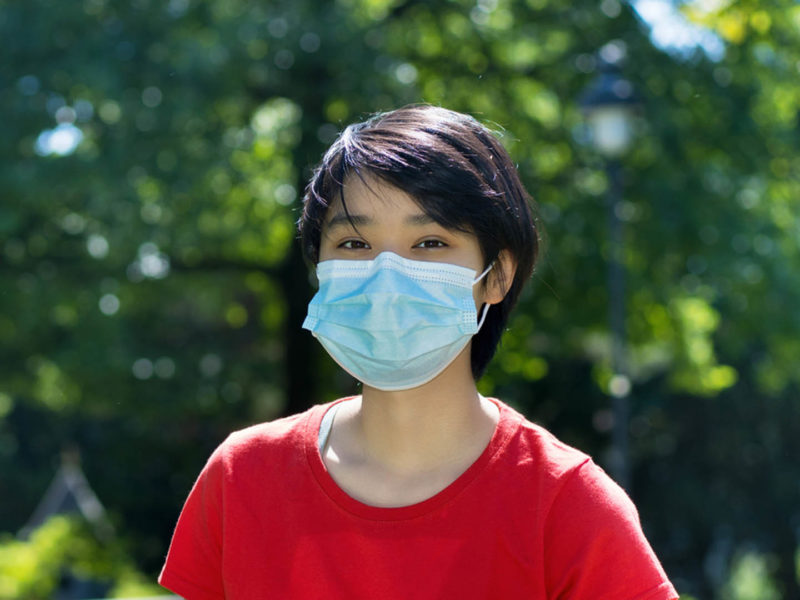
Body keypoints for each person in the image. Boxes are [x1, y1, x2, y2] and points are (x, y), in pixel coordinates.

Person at [159, 105, 678, 599]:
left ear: (496, 275)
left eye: (429, 242)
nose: (386, 277)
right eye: (354, 245)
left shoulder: (567, 505)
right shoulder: (241, 479)